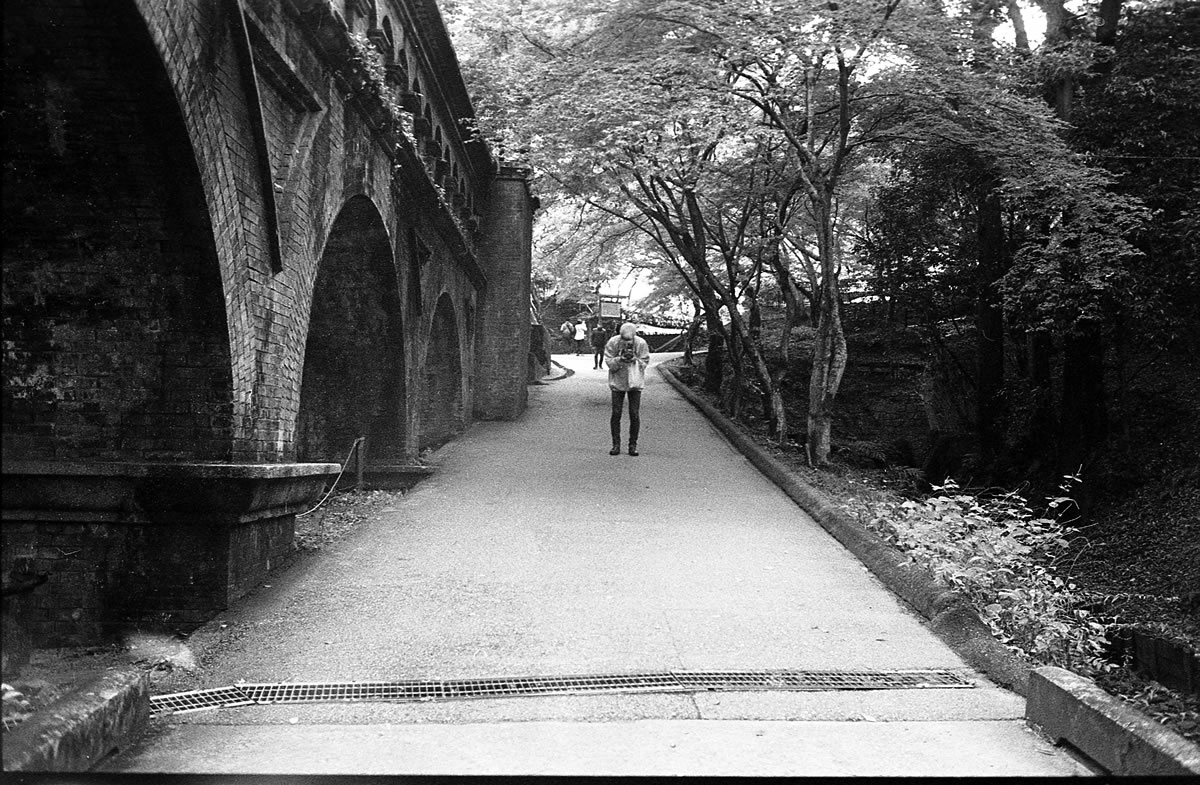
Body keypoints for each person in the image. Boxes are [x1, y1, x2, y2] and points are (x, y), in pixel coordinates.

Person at [604, 322, 650, 456]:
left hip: (635, 382)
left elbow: (645, 362)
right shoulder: (613, 342)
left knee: (634, 414)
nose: (627, 343)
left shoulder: (641, 343)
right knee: (616, 413)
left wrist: (634, 359)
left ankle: (632, 445)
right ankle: (616, 445)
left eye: (629, 340)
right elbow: (608, 361)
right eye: (624, 340)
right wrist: (620, 359)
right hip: (617, 382)